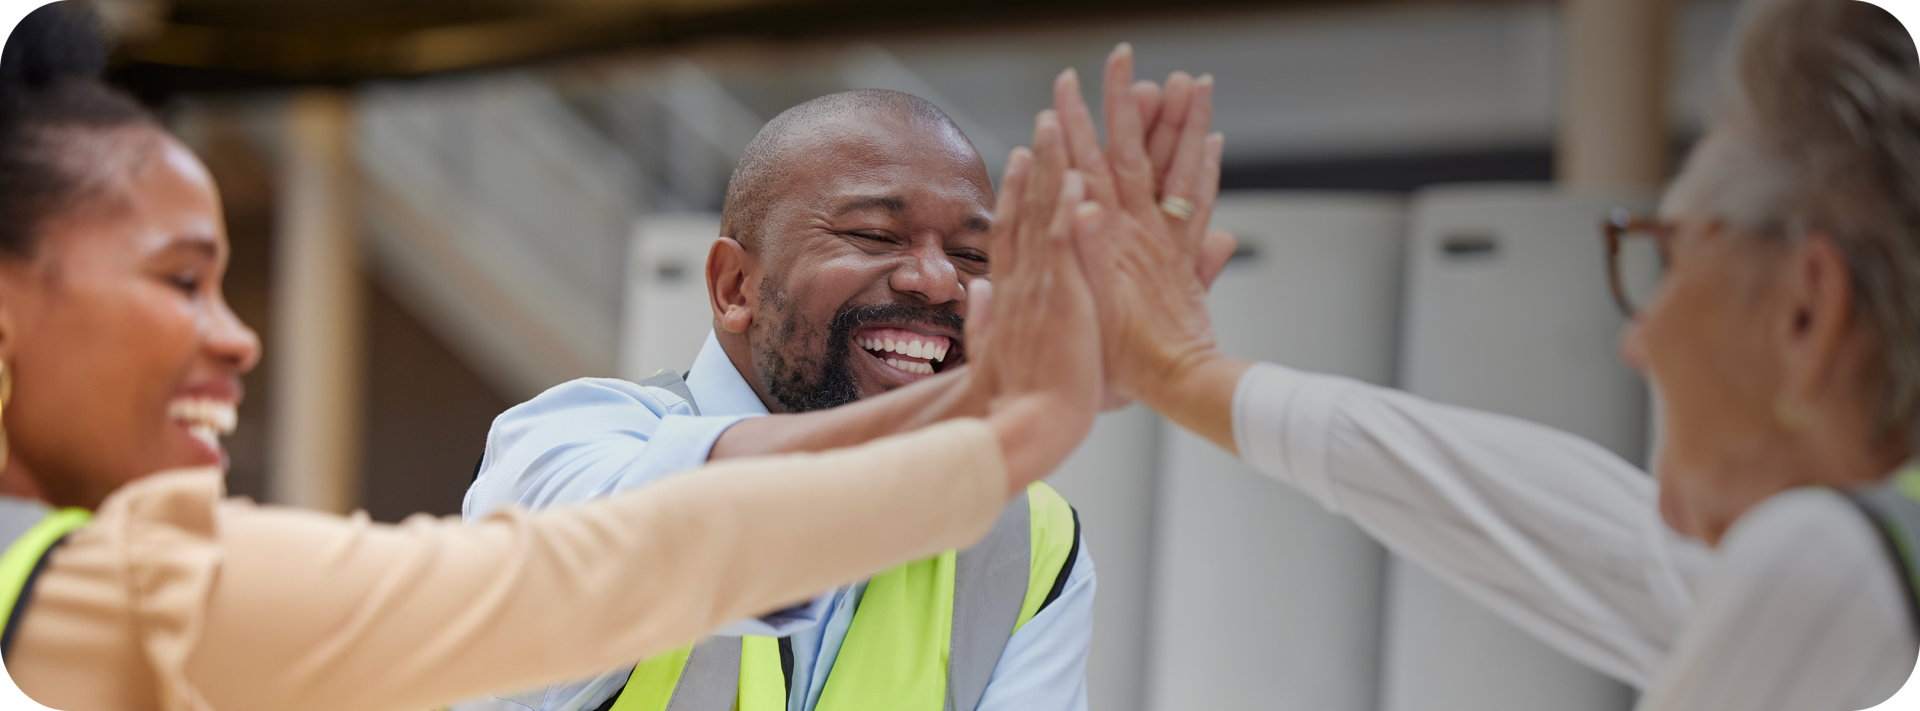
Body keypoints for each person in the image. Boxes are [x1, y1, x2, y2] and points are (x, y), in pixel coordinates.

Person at [0, 4, 1108, 710]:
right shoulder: (138, 587)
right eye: (181, 279)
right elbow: (588, 569)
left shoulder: (1035, 546)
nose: (239, 334)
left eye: (970, 254)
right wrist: (1010, 413)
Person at [1056, 3, 1917, 709]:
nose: (1636, 339)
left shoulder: (1834, 562)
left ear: (1805, 311)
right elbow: (1572, 532)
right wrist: (1182, 372)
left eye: (1667, 255)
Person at [459, 84, 1224, 711]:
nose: (937, 279)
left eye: (972, 254)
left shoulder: (1027, 541)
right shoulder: (558, 447)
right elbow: (677, 527)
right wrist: (986, 408)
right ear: (735, 287)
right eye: (875, 234)